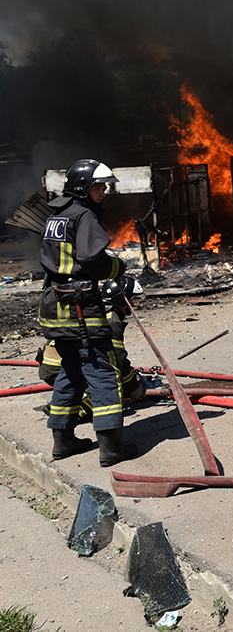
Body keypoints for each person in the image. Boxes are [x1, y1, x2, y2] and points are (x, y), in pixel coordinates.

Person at [40, 159, 131, 466]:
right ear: (83, 188)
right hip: (81, 311)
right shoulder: (83, 216)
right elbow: (93, 260)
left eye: (103, 187)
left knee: (71, 372)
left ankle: (62, 441)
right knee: (102, 373)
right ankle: (111, 448)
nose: (103, 192)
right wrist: (119, 267)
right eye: (98, 187)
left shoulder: (58, 215)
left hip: (54, 306)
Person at [37, 274, 150, 421]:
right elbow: (118, 360)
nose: (133, 306)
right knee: (107, 389)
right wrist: (135, 389)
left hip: (56, 366)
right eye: (131, 301)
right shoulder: (112, 320)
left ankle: (63, 413)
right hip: (62, 368)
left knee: (86, 383)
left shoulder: (98, 310)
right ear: (122, 300)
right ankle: (70, 413)